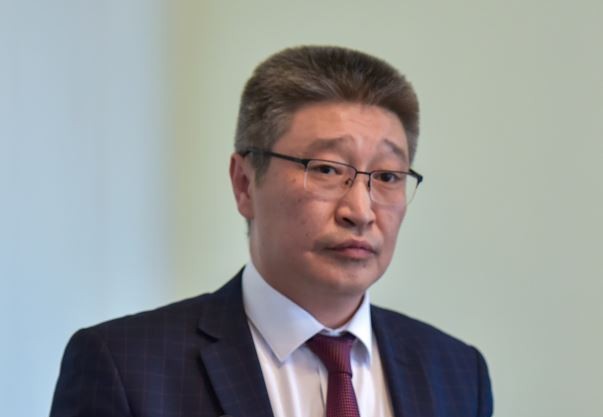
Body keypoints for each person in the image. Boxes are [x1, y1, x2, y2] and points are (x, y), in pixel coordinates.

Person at [50, 45, 493, 417]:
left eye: (388, 176)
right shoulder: (125, 366)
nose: (360, 211)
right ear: (244, 183)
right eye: (326, 169)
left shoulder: (457, 372)